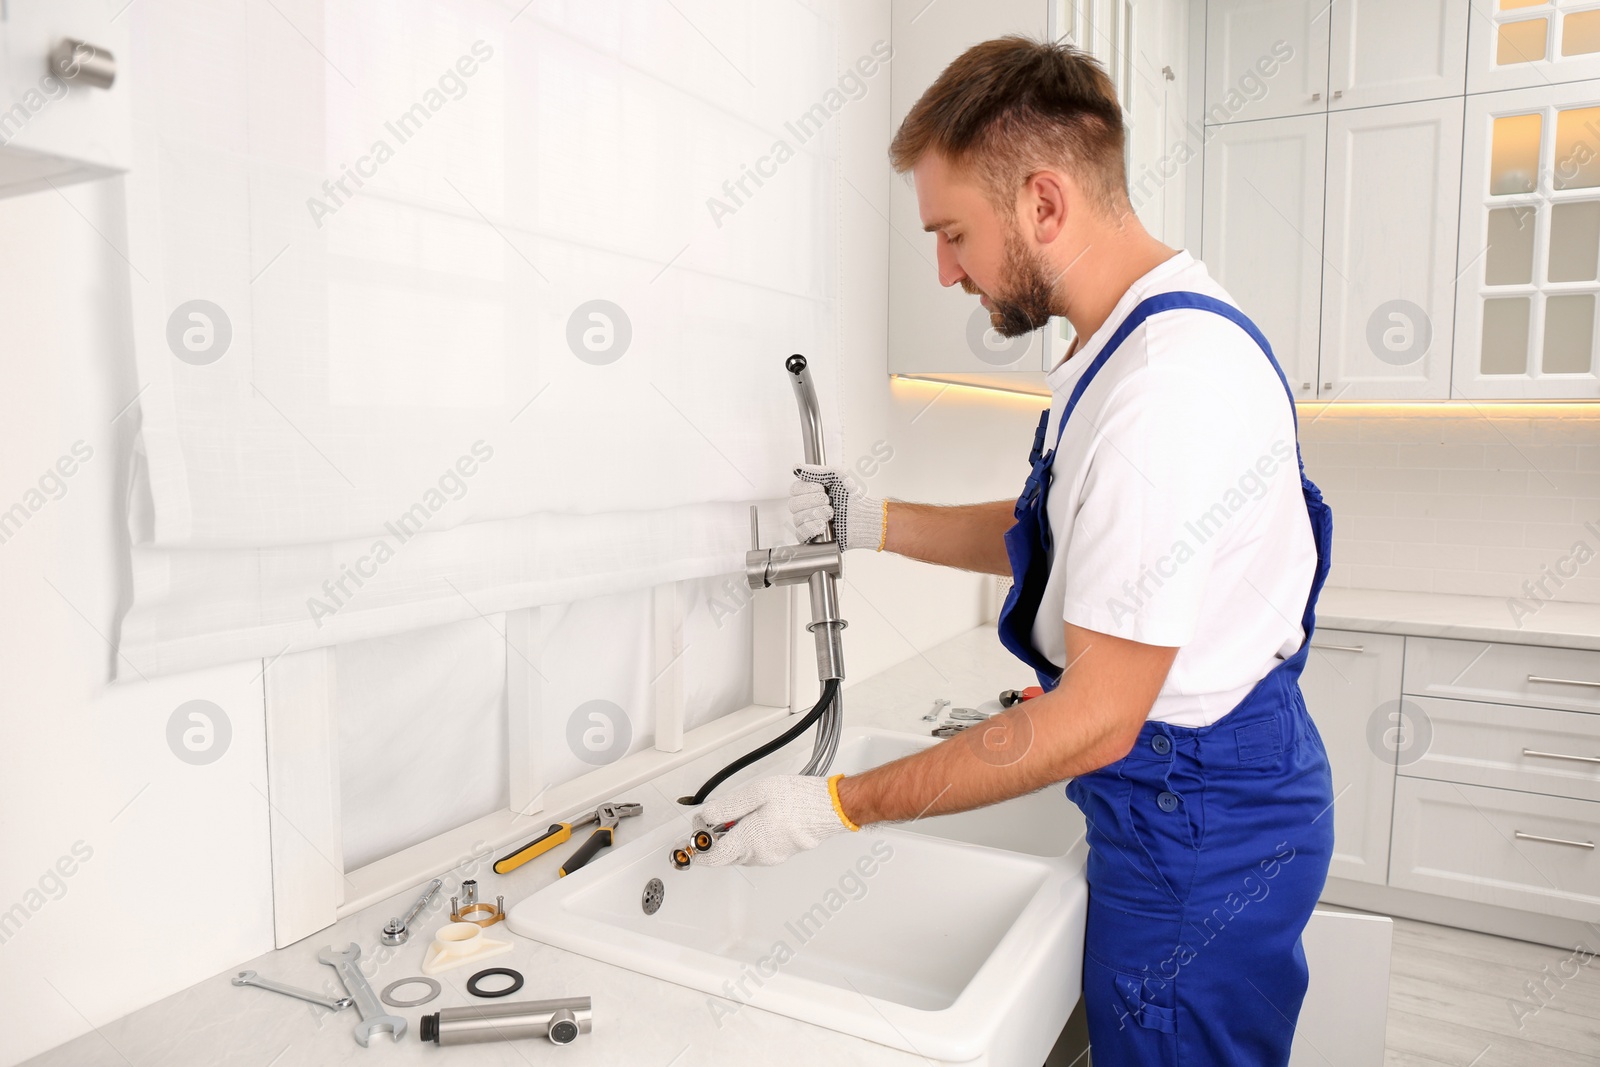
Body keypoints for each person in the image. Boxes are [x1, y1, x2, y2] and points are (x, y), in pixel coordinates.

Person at [695, 36, 1334, 1066]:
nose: (945, 269)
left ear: (1043, 203)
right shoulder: (1126, 343)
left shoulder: (1162, 391)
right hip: (1203, 791)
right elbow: (1058, 538)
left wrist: (833, 805)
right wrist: (867, 522)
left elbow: (1092, 721)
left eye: (952, 233)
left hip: (1195, 822)